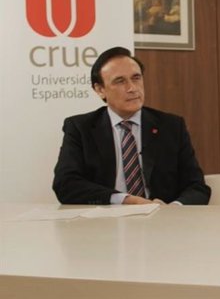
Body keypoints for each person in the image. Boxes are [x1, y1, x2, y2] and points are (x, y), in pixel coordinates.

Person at [53, 47, 210, 205]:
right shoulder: (81, 128)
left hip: (163, 221)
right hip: (105, 222)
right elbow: (65, 184)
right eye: (120, 81)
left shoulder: (171, 126)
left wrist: (173, 209)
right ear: (100, 90)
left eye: (136, 78)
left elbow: (197, 187)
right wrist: (125, 200)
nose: (132, 88)